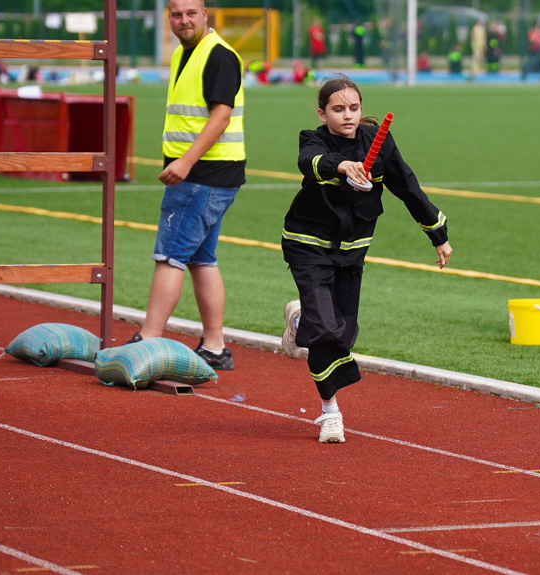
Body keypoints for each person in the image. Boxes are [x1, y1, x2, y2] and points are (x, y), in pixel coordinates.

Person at [280, 75, 452, 443]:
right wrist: (343, 167)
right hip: (307, 244)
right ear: (322, 112)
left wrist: (437, 234)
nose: (347, 116)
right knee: (326, 331)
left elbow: (406, 185)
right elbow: (309, 161)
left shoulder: (378, 141)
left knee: (343, 331)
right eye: (337, 109)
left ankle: (299, 319)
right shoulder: (313, 139)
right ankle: (331, 413)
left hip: (352, 250)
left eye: (353, 108)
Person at [127, 0, 245, 371]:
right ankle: (214, 346)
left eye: (191, 13)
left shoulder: (218, 55)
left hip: (201, 175)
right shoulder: (185, 53)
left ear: (205, 14)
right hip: (209, 174)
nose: (184, 20)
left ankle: (148, 338)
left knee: (170, 256)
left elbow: (221, 116)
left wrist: (186, 161)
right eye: (176, 14)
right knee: (201, 258)